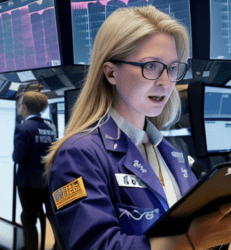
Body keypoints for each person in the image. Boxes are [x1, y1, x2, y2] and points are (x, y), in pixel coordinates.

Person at [45, 5, 231, 250]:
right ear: (111, 73)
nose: (165, 82)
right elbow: (95, 245)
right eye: (151, 66)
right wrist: (188, 243)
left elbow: (199, 226)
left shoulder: (172, 154)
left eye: (172, 68)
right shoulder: (80, 154)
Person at [13, 91, 56, 250]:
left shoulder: (23, 128)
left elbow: (18, 157)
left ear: (24, 107)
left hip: (28, 183)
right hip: (47, 181)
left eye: (19, 105)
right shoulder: (50, 127)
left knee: (29, 218)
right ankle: (58, 246)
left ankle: (31, 248)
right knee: (52, 216)